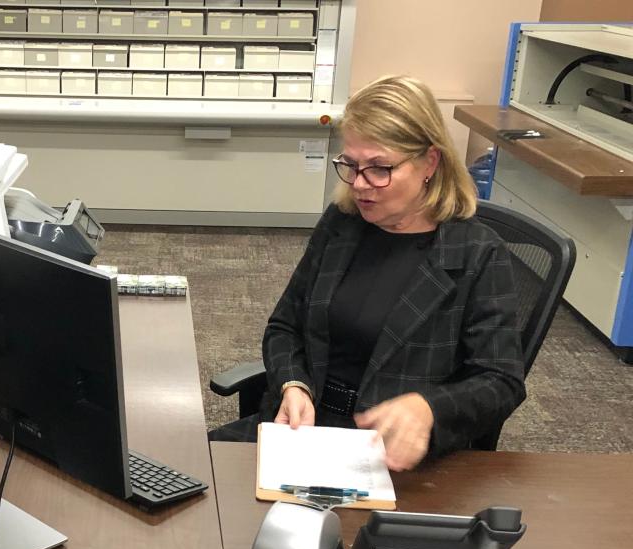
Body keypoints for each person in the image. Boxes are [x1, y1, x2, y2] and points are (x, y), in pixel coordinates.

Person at [224, 75, 526, 471]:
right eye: (350, 165)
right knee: (185, 476)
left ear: (429, 163)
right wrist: (292, 383)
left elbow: (500, 381)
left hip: (391, 456)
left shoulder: (477, 254)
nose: (361, 185)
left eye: (380, 168)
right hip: (303, 431)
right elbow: (285, 325)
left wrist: (428, 408)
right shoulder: (342, 223)